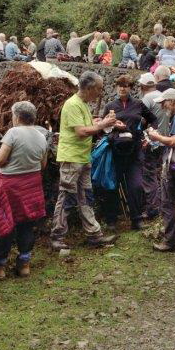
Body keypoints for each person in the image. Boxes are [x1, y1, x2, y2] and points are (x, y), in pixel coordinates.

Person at [51, 71, 120, 251]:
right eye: (99, 89)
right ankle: (57, 236)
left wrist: (101, 122)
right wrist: (102, 125)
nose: (100, 93)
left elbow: (87, 126)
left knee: (86, 196)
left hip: (83, 157)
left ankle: (94, 234)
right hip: (71, 158)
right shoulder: (73, 104)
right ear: (89, 88)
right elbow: (81, 132)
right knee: (67, 196)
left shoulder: (82, 104)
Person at [0, 101, 49, 279]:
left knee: (4, 222)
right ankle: (24, 264)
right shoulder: (42, 136)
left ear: (17, 117)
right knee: (27, 224)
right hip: (32, 185)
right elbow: (43, 165)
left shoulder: (13, 132)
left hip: (11, 186)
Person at [145, 88, 175, 252]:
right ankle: (174, 237)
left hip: (174, 164)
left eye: (164, 103)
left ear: (172, 102)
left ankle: (171, 241)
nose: (162, 106)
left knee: (167, 202)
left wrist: (156, 137)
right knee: (170, 201)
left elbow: (174, 142)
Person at [106, 73, 150, 229]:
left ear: (131, 88)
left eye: (125, 86)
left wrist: (146, 135)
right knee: (113, 184)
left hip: (134, 149)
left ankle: (136, 219)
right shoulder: (110, 106)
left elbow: (152, 119)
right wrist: (113, 126)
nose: (122, 89)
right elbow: (103, 127)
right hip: (116, 150)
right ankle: (112, 220)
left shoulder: (138, 104)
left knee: (136, 185)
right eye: (119, 85)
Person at [139, 73, 166, 219]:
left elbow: (142, 121)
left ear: (142, 86)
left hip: (151, 140)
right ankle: (161, 203)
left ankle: (152, 208)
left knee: (148, 175)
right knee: (158, 172)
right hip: (164, 140)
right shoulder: (162, 95)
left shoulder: (147, 99)